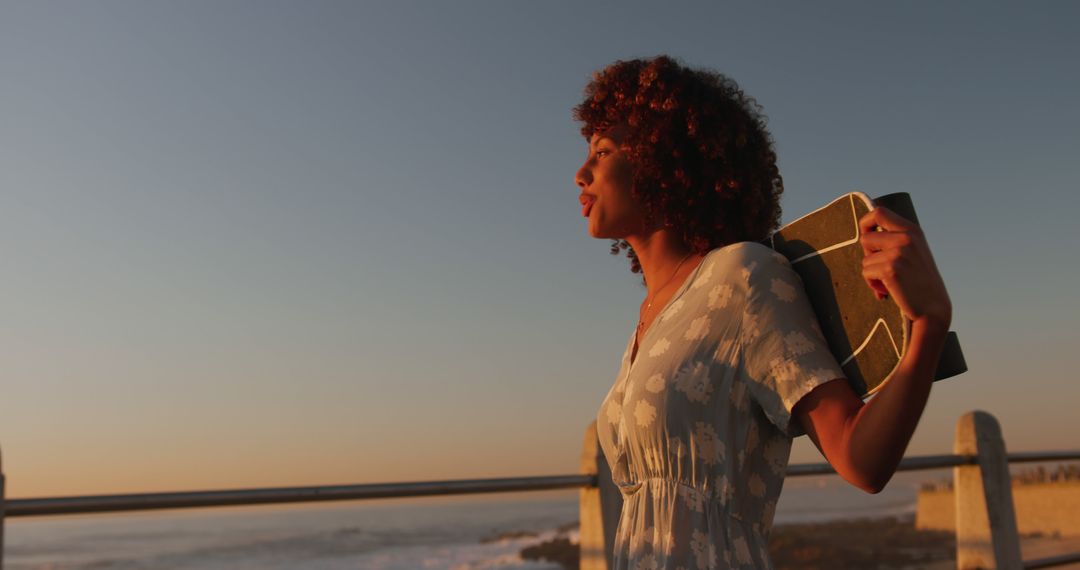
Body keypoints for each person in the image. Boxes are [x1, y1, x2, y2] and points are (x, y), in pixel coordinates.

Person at [573, 55, 952, 569]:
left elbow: (861, 460)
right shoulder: (651, 316)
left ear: (665, 158)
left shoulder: (745, 275)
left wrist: (928, 325)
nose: (581, 173)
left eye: (603, 151)